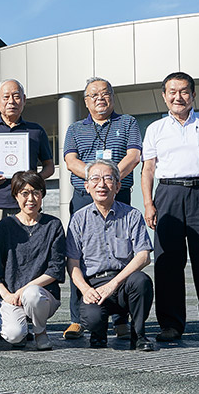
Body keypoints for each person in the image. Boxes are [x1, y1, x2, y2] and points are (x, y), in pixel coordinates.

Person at [141, 72, 199, 343]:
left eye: (183, 91)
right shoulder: (155, 129)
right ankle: (170, 324)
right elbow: (148, 170)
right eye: (172, 91)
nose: (178, 97)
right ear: (164, 96)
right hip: (168, 194)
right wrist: (148, 203)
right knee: (168, 260)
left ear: (193, 95)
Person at [0, 78, 54, 339]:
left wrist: (33, 182)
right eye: (6, 97)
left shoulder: (36, 131)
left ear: (24, 100)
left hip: (27, 207)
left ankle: (26, 311)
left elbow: (48, 166)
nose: (11, 101)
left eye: (16, 96)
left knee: (27, 258)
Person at [62, 77, 141, 340]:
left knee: (121, 251)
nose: (99, 98)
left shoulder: (127, 122)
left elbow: (134, 155)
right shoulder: (75, 128)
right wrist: (95, 178)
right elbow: (70, 159)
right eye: (93, 95)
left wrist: (110, 177)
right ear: (86, 101)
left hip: (119, 193)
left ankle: (120, 318)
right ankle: (77, 317)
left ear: (112, 97)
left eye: (105, 93)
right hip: (85, 197)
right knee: (80, 254)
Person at [67, 160, 154, 351]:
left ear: (118, 186)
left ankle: (138, 335)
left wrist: (113, 284)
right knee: (93, 319)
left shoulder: (132, 215)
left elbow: (143, 256)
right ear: (87, 186)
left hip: (124, 283)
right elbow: (72, 262)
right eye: (95, 179)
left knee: (142, 281)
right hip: (94, 285)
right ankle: (98, 335)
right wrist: (84, 289)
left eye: (108, 179)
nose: (102, 184)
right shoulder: (78, 219)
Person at [0, 171, 65, 350]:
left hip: (43, 296)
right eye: (24, 193)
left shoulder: (53, 225)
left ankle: (40, 332)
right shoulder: (5, 226)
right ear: (16, 196)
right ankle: (20, 328)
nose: (31, 198)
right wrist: (6, 295)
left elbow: (55, 268)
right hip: (11, 297)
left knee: (32, 295)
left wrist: (22, 291)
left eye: (36, 192)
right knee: (14, 336)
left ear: (42, 195)